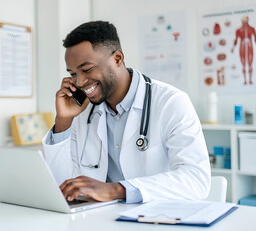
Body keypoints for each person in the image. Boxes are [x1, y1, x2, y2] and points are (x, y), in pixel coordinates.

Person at [42, 21, 211, 204]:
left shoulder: (171, 102)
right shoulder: (83, 110)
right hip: (101, 219)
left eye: (87, 69)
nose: (80, 82)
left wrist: (116, 189)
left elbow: (196, 180)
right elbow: (64, 188)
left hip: (157, 218)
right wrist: (63, 121)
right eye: (73, 74)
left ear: (117, 59)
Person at [231, 16, 256, 85]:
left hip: (249, 46)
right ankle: (245, 80)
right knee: (244, 64)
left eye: (246, 21)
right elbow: (236, 40)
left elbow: (255, 38)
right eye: (243, 21)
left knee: (250, 64)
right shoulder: (238, 30)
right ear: (241, 21)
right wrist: (233, 47)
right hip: (242, 47)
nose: (244, 23)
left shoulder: (252, 29)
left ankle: (250, 80)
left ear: (248, 21)